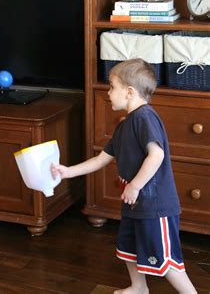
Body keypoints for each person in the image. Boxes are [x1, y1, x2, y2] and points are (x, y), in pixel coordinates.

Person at [51, 59, 196, 294]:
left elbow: (156, 155)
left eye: (111, 87)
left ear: (129, 92)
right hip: (134, 203)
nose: (108, 92)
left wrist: (135, 186)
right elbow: (100, 159)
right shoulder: (125, 125)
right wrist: (68, 171)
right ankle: (138, 287)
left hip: (155, 206)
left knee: (165, 258)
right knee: (129, 246)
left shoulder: (144, 118)